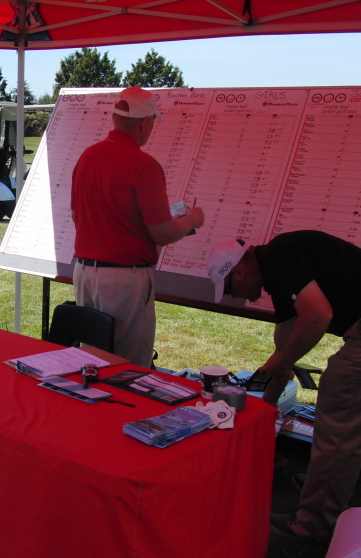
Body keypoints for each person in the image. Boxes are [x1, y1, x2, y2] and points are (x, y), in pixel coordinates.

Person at [207, 230, 361, 539]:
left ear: (239, 270)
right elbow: (283, 349)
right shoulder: (278, 271)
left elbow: (318, 315)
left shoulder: (280, 257)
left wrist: (283, 361)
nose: (233, 296)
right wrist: (263, 412)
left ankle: (312, 522)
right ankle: (327, 482)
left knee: (338, 401)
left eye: (230, 288)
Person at [70, 86, 204, 367]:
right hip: (124, 279)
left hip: (84, 272)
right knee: (126, 368)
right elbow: (162, 232)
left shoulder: (88, 156)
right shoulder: (144, 165)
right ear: (145, 122)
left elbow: (76, 214)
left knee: (91, 362)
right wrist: (193, 219)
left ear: (115, 118)